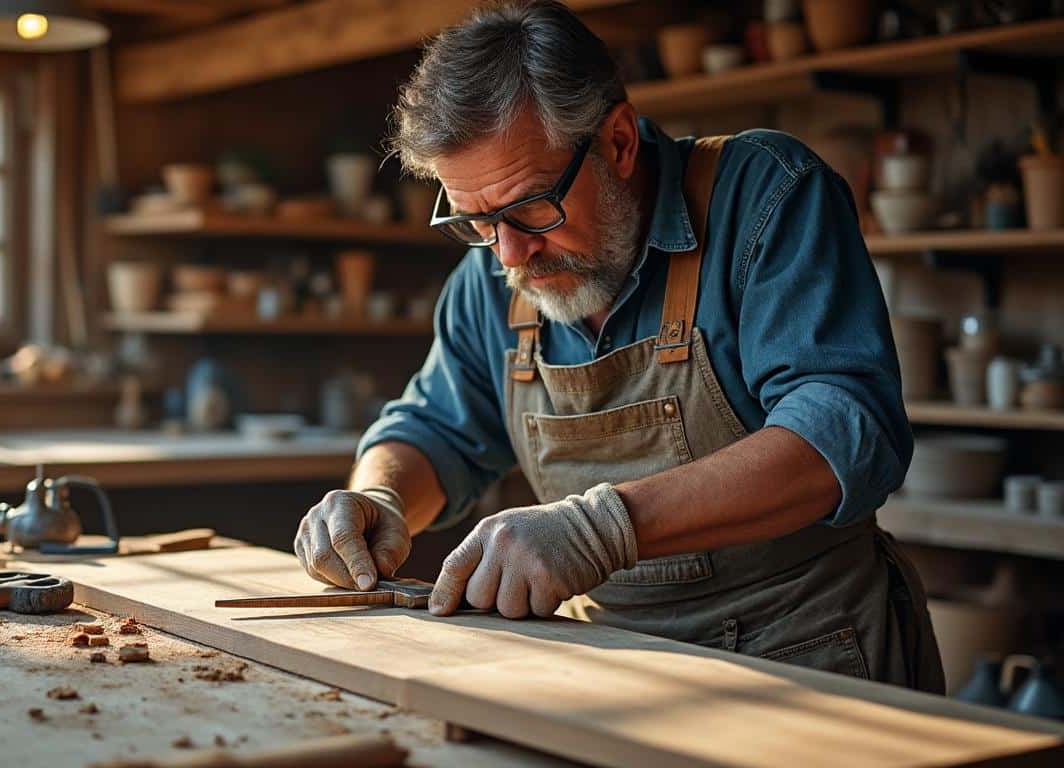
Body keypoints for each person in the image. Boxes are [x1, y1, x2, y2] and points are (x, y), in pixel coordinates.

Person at [292, 0, 942, 691]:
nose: (509, 252)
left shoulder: (766, 198)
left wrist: (605, 526)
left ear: (620, 143)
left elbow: (844, 433)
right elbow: (433, 428)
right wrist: (380, 499)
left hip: (806, 655)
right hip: (610, 664)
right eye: (477, 220)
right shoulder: (493, 274)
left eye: (531, 207)